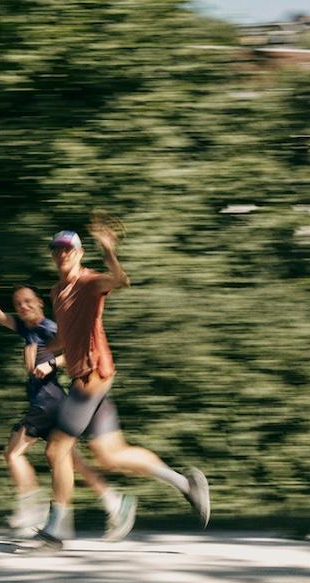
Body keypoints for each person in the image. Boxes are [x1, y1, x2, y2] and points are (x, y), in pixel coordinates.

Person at [35, 217, 211, 549]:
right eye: (57, 249)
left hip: (92, 377)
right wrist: (45, 352)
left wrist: (109, 250)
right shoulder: (57, 292)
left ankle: (57, 530)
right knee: (109, 455)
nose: (62, 254)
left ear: (79, 252)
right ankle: (185, 484)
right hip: (87, 378)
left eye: (68, 249)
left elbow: (120, 280)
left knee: (57, 449)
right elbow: (65, 336)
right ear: (53, 255)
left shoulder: (89, 283)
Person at [0, 260, 136, 541]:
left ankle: (32, 507)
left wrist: (53, 363)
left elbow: (78, 351)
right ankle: (115, 503)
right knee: (71, 461)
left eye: (29, 301)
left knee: (13, 453)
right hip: (56, 402)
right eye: (18, 303)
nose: (23, 307)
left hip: (48, 401)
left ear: (40, 303)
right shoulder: (26, 328)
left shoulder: (50, 328)